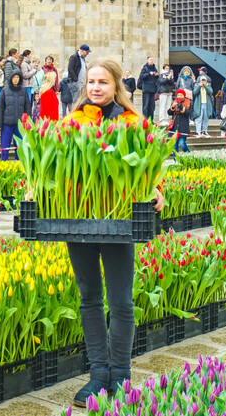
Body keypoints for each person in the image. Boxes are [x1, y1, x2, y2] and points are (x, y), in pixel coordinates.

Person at [65, 57, 163, 407]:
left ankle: (121, 376)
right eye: (91, 82)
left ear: (116, 86)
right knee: (89, 299)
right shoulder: (73, 122)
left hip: (120, 220)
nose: (95, 88)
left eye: (102, 83)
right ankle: (97, 375)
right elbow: (61, 166)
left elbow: (150, 164)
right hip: (78, 219)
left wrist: (156, 189)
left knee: (121, 302)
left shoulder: (133, 123)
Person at [0, 72, 27, 160]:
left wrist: (27, 122)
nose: (15, 79)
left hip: (19, 125)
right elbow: (1, 107)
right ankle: (4, 163)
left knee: (20, 147)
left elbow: (27, 108)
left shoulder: (23, 91)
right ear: (11, 79)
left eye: (17, 77)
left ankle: (19, 163)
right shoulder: (5, 91)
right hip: (7, 123)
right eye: (14, 77)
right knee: (5, 146)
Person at [63, 44, 91, 118]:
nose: (87, 54)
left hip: (81, 82)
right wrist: (76, 79)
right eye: (86, 52)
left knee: (81, 100)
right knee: (76, 101)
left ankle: (79, 115)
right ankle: (74, 117)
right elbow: (70, 68)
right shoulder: (74, 57)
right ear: (81, 50)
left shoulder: (82, 58)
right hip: (76, 83)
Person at [38, 55, 60, 120]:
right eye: (47, 59)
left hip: (48, 86)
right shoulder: (42, 68)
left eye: (50, 59)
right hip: (50, 119)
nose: (49, 60)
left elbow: (56, 80)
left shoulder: (54, 69)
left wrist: (57, 89)